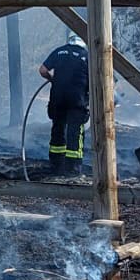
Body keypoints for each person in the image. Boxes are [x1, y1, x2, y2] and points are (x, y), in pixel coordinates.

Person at [39, 34, 91, 175]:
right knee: (75, 132)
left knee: (58, 129)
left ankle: (56, 165)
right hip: (77, 101)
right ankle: (73, 168)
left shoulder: (59, 51)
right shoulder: (87, 56)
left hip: (58, 99)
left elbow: (42, 70)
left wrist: (52, 79)